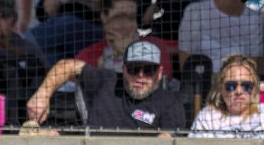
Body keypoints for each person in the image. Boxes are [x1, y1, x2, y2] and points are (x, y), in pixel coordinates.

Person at [26, 39, 184, 133]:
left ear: (160, 72)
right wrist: (42, 94)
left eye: (149, 70)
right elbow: (67, 66)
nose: (140, 75)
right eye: (134, 69)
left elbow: (167, 142)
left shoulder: (170, 103)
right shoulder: (108, 81)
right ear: (123, 69)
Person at [177, 0, 264, 72]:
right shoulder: (195, 12)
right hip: (202, 81)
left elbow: (253, 63)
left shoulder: (256, 19)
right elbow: (185, 60)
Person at [73, 0, 175, 77]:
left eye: (131, 17)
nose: (127, 25)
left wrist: (131, 51)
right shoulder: (86, 57)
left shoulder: (155, 47)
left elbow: (161, 81)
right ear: (104, 17)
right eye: (119, 17)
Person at [190, 54, 264, 139]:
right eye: (231, 86)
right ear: (220, 88)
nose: (239, 91)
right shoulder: (207, 117)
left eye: (247, 86)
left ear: (255, 88)